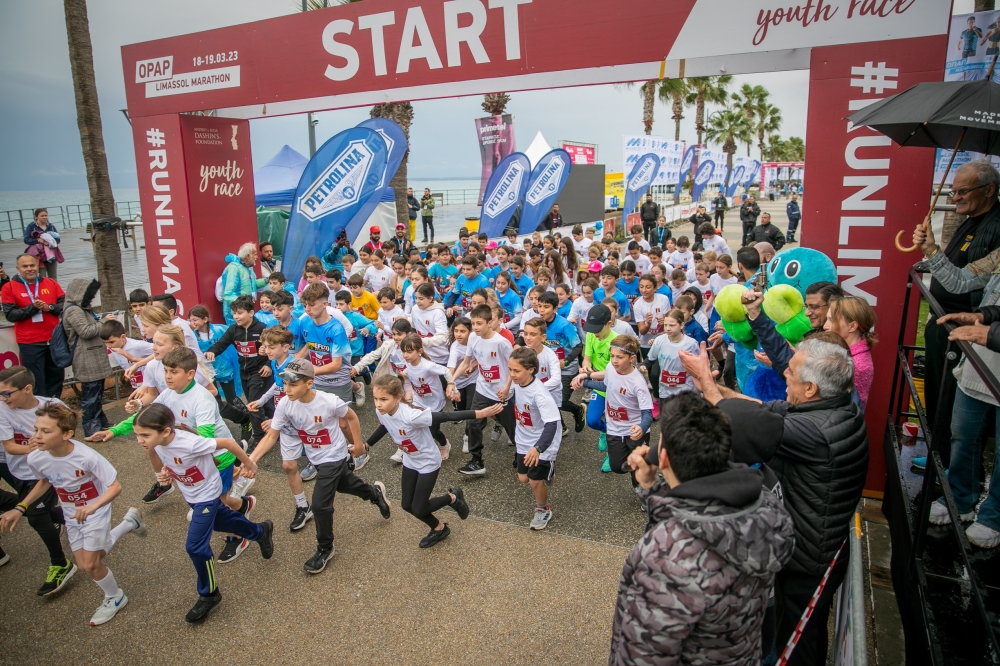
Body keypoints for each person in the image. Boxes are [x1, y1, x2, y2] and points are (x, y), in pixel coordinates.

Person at [680, 338, 868, 666]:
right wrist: (715, 389)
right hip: (810, 544)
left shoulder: (816, 432)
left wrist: (709, 386)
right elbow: (760, 411)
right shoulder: (831, 406)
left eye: (791, 374)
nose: (785, 377)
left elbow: (747, 427)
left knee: (798, 644)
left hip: (809, 561)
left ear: (810, 388)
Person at [609, 391, 795, 666]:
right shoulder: (763, 504)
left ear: (663, 459)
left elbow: (644, 656)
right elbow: (700, 517)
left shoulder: (665, 560)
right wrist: (651, 487)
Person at [0, 403, 146, 626]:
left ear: (67, 434)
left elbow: (115, 487)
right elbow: (45, 481)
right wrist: (21, 507)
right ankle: (128, 523)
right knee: (84, 561)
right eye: (36, 429)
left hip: (95, 510)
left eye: (45, 431)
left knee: (90, 565)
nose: (36, 436)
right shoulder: (36, 458)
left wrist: (92, 507)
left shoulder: (87, 457)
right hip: (71, 513)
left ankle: (115, 597)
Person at [241, 358, 389, 573]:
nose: (287, 389)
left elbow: (352, 417)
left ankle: (325, 548)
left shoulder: (329, 401)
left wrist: (357, 445)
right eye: (285, 384)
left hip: (334, 456)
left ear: (309, 384)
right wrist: (250, 460)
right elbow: (272, 435)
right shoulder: (285, 404)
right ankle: (374, 493)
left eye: (293, 384)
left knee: (320, 505)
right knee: (345, 485)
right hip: (316, 457)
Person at [131, 404, 274, 622]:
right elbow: (174, 463)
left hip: (206, 496)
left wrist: (248, 463)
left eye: (144, 435)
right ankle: (259, 531)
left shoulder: (189, 442)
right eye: (137, 435)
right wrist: (166, 473)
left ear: (166, 431)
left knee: (195, 546)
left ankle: (209, 594)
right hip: (192, 496)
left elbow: (227, 443)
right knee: (220, 522)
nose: (140, 440)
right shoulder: (158, 444)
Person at [912, 159, 1000, 463]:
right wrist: (931, 251)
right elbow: (959, 275)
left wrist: (933, 253)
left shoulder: (996, 226)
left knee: (956, 405)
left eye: (963, 191)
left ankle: (947, 463)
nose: (955, 197)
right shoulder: (972, 219)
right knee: (939, 394)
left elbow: (963, 283)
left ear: (989, 190)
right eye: (952, 191)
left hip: (969, 335)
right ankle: (940, 453)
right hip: (947, 324)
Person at [367, 374, 494, 546]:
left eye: (383, 399)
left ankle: (452, 498)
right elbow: (384, 426)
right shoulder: (381, 411)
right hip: (410, 460)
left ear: (397, 398)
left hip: (428, 462)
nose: (378, 403)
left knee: (419, 508)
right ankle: (439, 529)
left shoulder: (412, 416)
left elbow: (446, 416)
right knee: (407, 505)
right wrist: (367, 444)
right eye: (375, 398)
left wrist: (480, 413)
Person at [0, 366, 74, 594]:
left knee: (34, 516)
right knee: (33, 509)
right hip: (18, 471)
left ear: (28, 389)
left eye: (6, 393)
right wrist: (30, 447)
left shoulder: (54, 408)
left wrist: (47, 448)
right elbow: (10, 447)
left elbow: (69, 439)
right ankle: (76, 517)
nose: (2, 398)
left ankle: (61, 564)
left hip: (46, 473)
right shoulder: (2, 409)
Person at [447, 304, 517, 477]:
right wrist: (451, 381)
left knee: (512, 427)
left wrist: (507, 388)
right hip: (483, 388)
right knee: (472, 423)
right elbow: (466, 361)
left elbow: (513, 367)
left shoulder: (501, 342)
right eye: (473, 323)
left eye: (479, 323)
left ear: (490, 322)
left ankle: (522, 452)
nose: (476, 327)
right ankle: (476, 460)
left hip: (502, 391)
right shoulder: (472, 338)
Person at [204, 295, 272, 445]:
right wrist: (212, 352)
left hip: (260, 371)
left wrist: (268, 364)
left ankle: (260, 438)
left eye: (240, 313)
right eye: (234, 313)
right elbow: (221, 344)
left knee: (253, 404)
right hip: (244, 371)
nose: (236, 316)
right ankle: (272, 426)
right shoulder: (233, 330)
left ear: (251, 313)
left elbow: (272, 348)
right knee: (259, 403)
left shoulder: (261, 328)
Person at [507, 347, 563, 530]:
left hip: (542, 444)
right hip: (523, 439)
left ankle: (543, 509)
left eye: (516, 371)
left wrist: (538, 448)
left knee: (534, 481)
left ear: (530, 369)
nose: (512, 375)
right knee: (523, 478)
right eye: (510, 370)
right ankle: (547, 473)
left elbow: (552, 425)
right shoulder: (519, 383)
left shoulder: (540, 394)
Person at [1, 254, 64, 397]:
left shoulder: (51, 283)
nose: (29, 269)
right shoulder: (9, 287)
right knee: (36, 382)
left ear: (38, 266)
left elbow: (64, 305)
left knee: (56, 378)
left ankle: (54, 410)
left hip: (54, 340)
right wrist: (33, 308)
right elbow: (10, 315)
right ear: (18, 268)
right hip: (31, 343)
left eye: (32, 265)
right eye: (25, 266)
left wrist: (50, 308)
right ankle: (39, 413)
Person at [61, 279, 113, 436]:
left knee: (96, 392)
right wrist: (105, 321)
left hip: (92, 355)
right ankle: (91, 427)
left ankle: (99, 421)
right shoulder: (73, 310)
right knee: (91, 394)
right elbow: (85, 331)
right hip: (86, 357)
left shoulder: (82, 309)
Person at [824, 296, 877, 407]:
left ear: (852, 326)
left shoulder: (855, 365)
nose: (825, 326)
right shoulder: (848, 354)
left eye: (831, 320)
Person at [220, 243, 267, 326]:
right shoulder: (234, 268)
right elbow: (228, 294)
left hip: (247, 312)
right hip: (235, 315)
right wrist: (244, 303)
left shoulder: (248, 267)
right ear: (248, 256)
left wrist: (267, 280)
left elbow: (253, 284)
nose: (257, 257)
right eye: (255, 255)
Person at [23, 209, 63, 280]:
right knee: (41, 276)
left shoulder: (51, 226)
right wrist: (38, 241)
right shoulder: (31, 226)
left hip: (51, 253)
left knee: (53, 276)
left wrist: (50, 242)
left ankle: (54, 290)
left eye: (46, 215)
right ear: (36, 217)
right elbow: (26, 239)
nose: (44, 217)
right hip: (39, 255)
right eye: (42, 216)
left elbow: (57, 239)